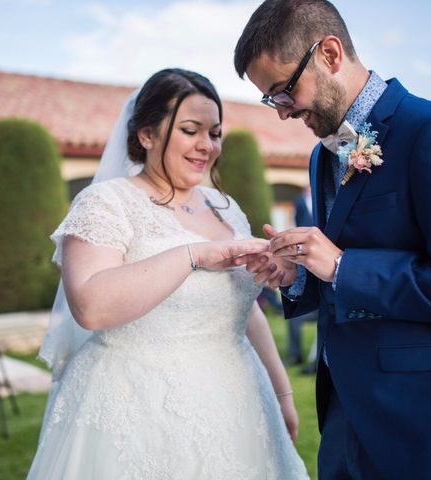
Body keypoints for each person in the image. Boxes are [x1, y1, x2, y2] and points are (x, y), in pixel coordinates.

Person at [233, 1, 431, 479]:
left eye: (283, 92)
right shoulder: (323, 157)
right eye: (271, 101)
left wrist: (344, 266)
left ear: (329, 53)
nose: (282, 113)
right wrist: (300, 273)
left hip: (425, 428)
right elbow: (341, 274)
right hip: (345, 422)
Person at [27, 69, 309, 479]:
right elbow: (89, 306)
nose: (206, 146)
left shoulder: (224, 207)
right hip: (137, 405)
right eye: (190, 130)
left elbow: (241, 310)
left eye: (214, 133)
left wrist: (282, 391)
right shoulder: (105, 203)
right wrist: (193, 255)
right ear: (147, 134)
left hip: (239, 402)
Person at [287, 186, 318, 372]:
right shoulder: (299, 202)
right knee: (294, 316)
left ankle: (315, 361)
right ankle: (295, 354)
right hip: (302, 257)